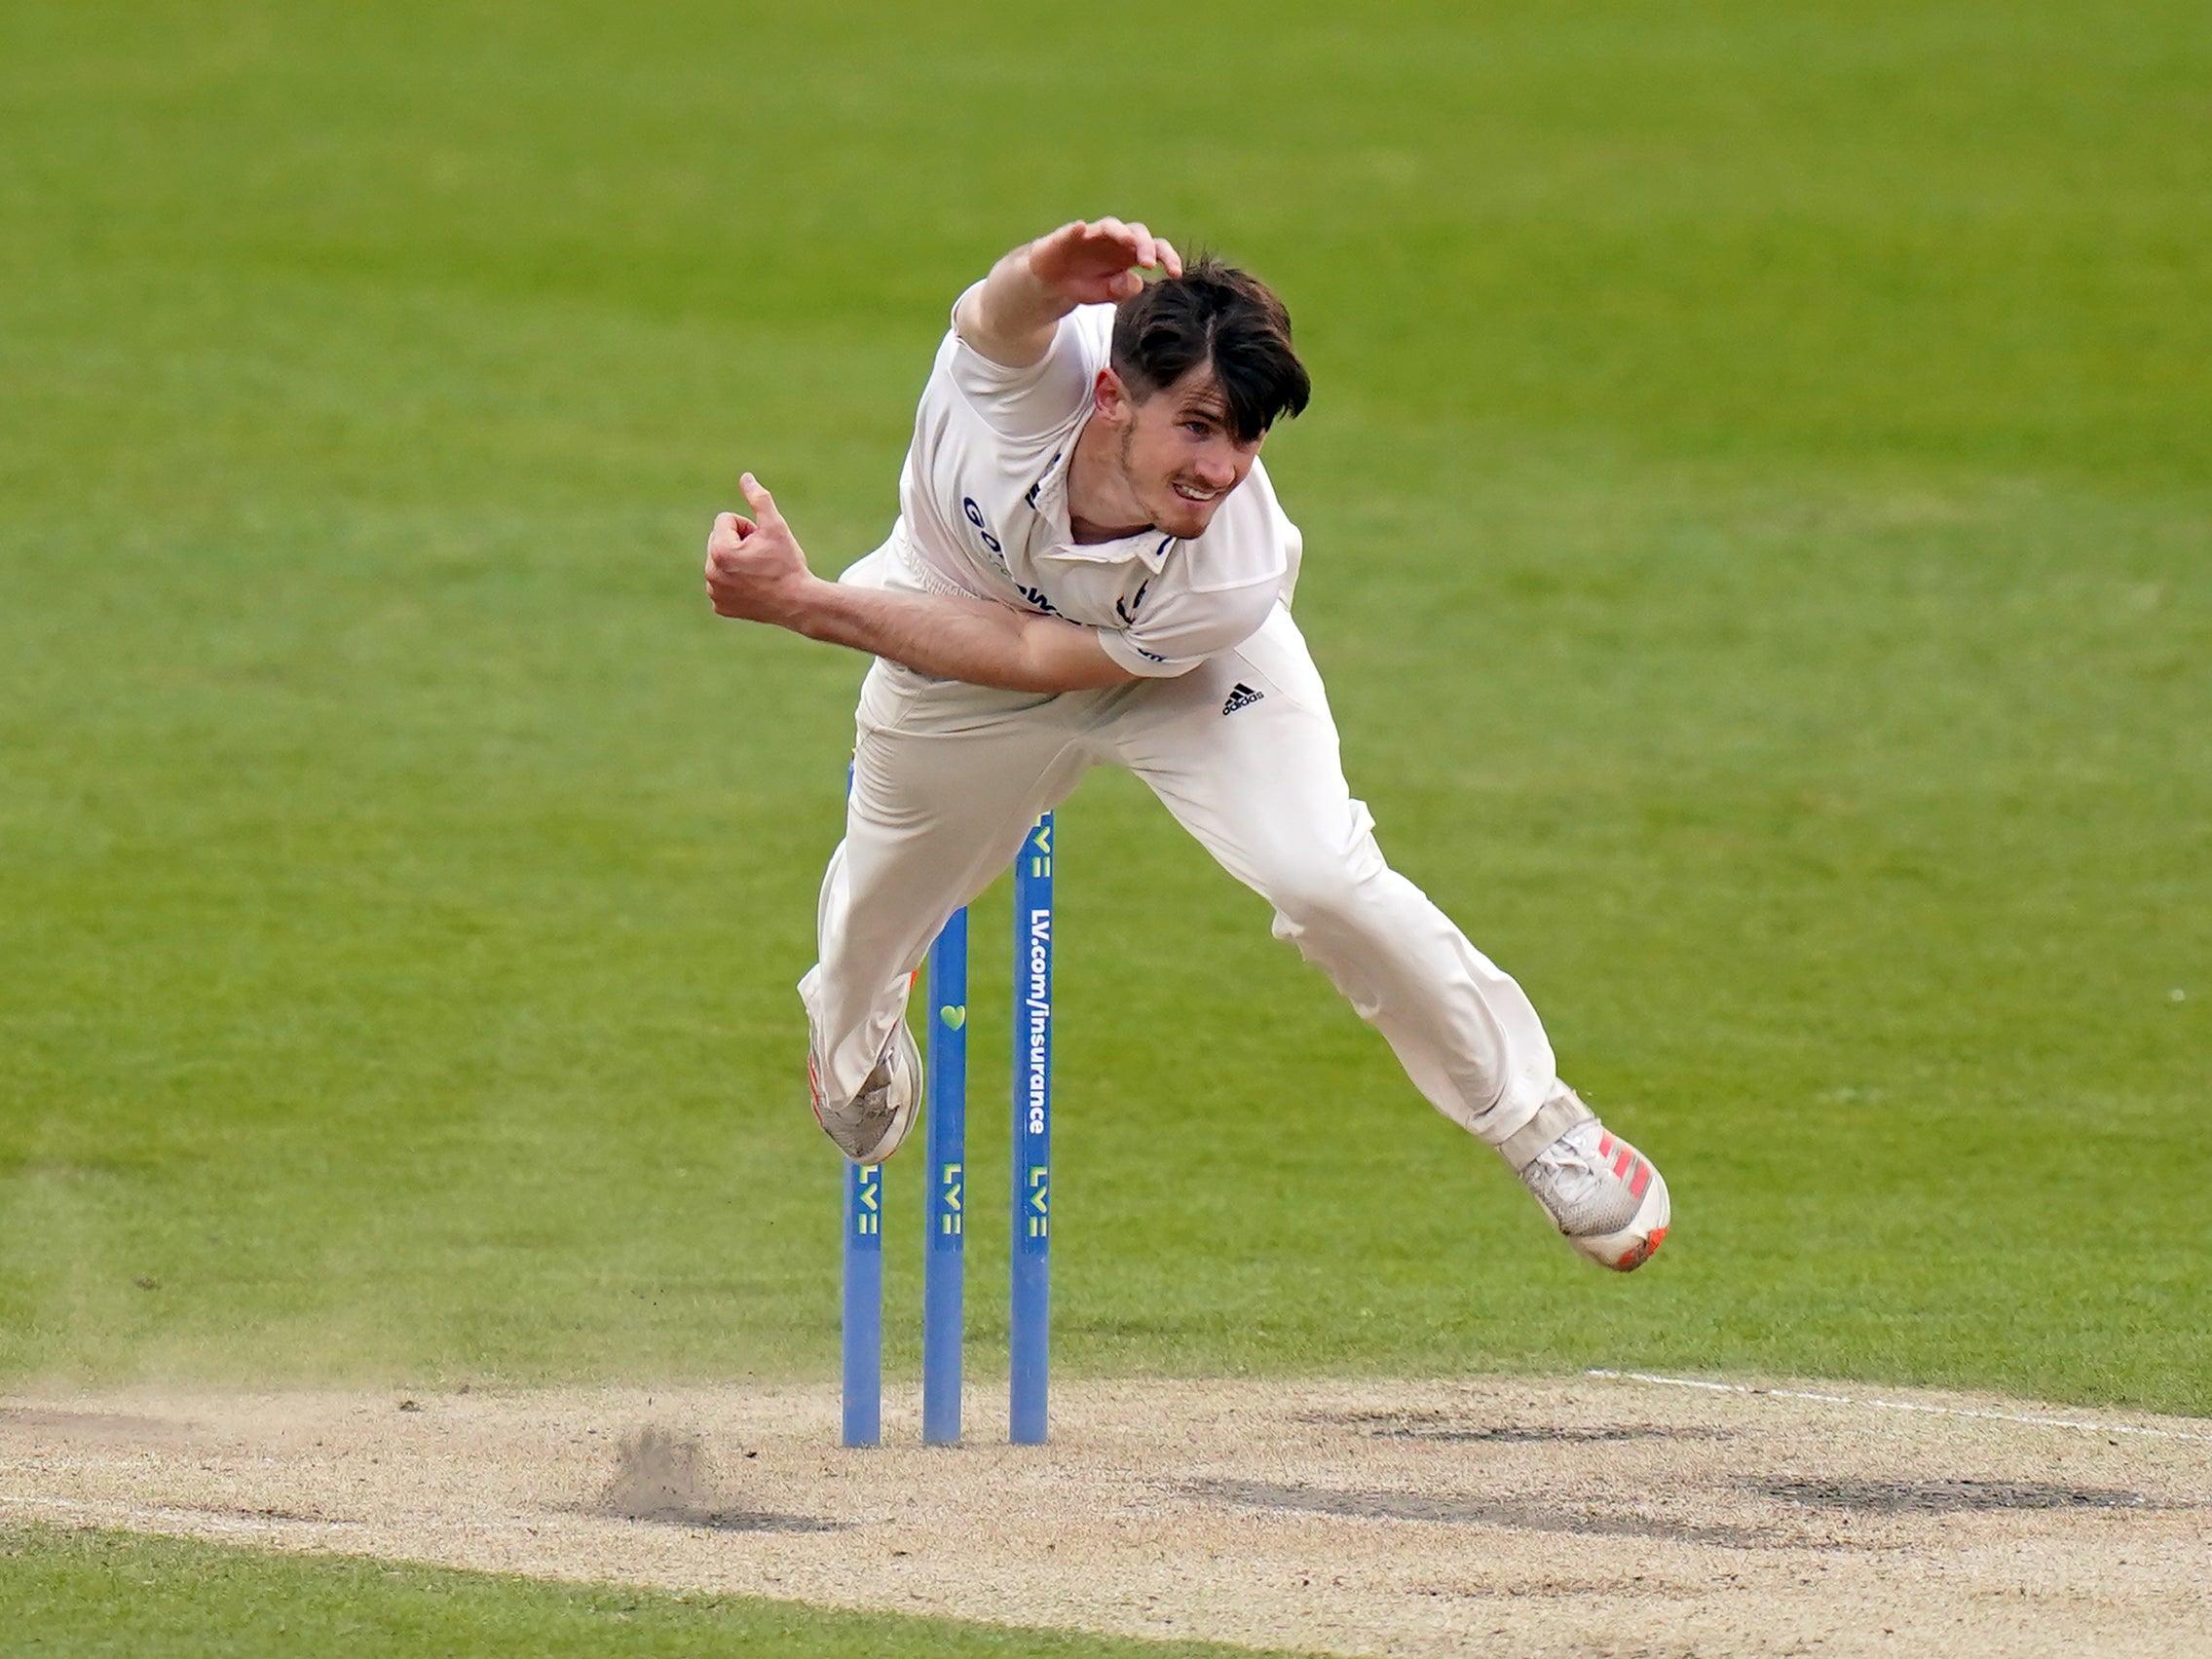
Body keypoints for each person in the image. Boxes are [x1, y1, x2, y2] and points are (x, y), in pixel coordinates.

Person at [704, 218, 1668, 1270]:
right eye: (1200, 427)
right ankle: (850, 1040)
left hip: (1169, 670)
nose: (1222, 469)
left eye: (1247, 437)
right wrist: (1040, 270)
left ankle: (1536, 1122)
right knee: (878, 909)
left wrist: (804, 603)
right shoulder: (1024, 385)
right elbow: (995, 315)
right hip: (947, 629)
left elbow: (1037, 653)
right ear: (1114, 394)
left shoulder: (1236, 568)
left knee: (1326, 878)